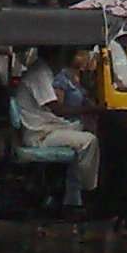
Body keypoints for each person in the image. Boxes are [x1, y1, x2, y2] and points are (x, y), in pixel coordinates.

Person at [16, 47, 100, 201]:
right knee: (90, 141)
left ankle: (72, 196)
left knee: (89, 129)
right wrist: (92, 109)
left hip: (49, 126)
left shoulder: (46, 72)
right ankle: (88, 193)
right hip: (40, 134)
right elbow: (58, 109)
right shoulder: (39, 74)